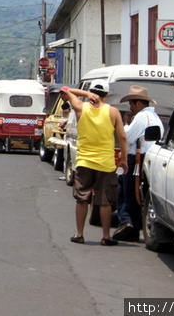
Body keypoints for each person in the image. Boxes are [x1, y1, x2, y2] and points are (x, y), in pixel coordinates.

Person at [60, 80, 128, 246]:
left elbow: (66, 89)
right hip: (105, 162)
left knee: (82, 198)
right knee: (105, 201)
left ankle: (79, 233)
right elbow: (123, 137)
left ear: (91, 92)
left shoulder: (81, 108)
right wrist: (124, 160)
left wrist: (85, 94)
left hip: (84, 161)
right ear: (107, 95)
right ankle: (106, 236)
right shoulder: (113, 112)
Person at [113, 85, 164, 242]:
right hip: (145, 157)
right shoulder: (154, 118)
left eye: (132, 104)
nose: (131, 108)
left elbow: (127, 137)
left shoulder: (142, 117)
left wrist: (126, 124)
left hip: (137, 158)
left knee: (127, 192)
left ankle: (128, 223)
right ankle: (129, 224)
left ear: (138, 104)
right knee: (129, 191)